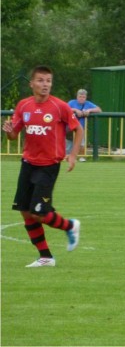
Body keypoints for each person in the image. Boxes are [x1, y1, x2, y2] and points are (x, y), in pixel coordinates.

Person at [2, 66, 82, 268]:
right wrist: (9, 131)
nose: (45, 84)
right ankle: (45, 257)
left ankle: (70, 226)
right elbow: (14, 135)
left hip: (48, 166)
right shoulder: (23, 105)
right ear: (32, 84)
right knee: (25, 212)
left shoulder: (59, 106)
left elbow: (77, 129)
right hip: (28, 163)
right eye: (40, 80)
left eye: (48, 80)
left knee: (39, 213)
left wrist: (73, 154)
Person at [67, 88, 101, 159]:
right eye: (80, 96)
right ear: (77, 96)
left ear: (85, 97)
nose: (82, 98)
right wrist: (76, 110)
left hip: (81, 127)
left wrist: (89, 110)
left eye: (83, 97)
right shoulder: (72, 102)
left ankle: (81, 158)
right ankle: (67, 157)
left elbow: (99, 110)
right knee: (68, 144)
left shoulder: (88, 104)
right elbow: (65, 109)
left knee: (81, 144)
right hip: (70, 127)